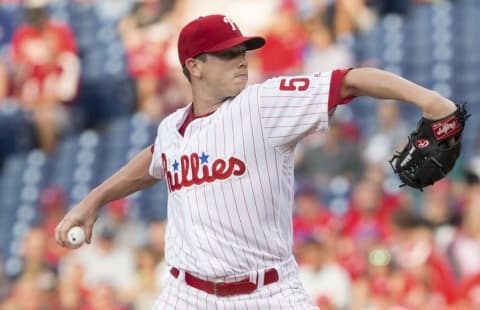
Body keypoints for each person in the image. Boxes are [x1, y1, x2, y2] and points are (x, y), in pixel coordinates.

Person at [55, 14, 458, 309]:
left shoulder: (264, 103)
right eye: (228, 54)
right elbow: (154, 161)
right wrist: (93, 201)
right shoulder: (172, 128)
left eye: (243, 50)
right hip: (186, 294)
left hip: (268, 293)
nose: (242, 59)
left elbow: (351, 80)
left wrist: (433, 103)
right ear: (194, 67)